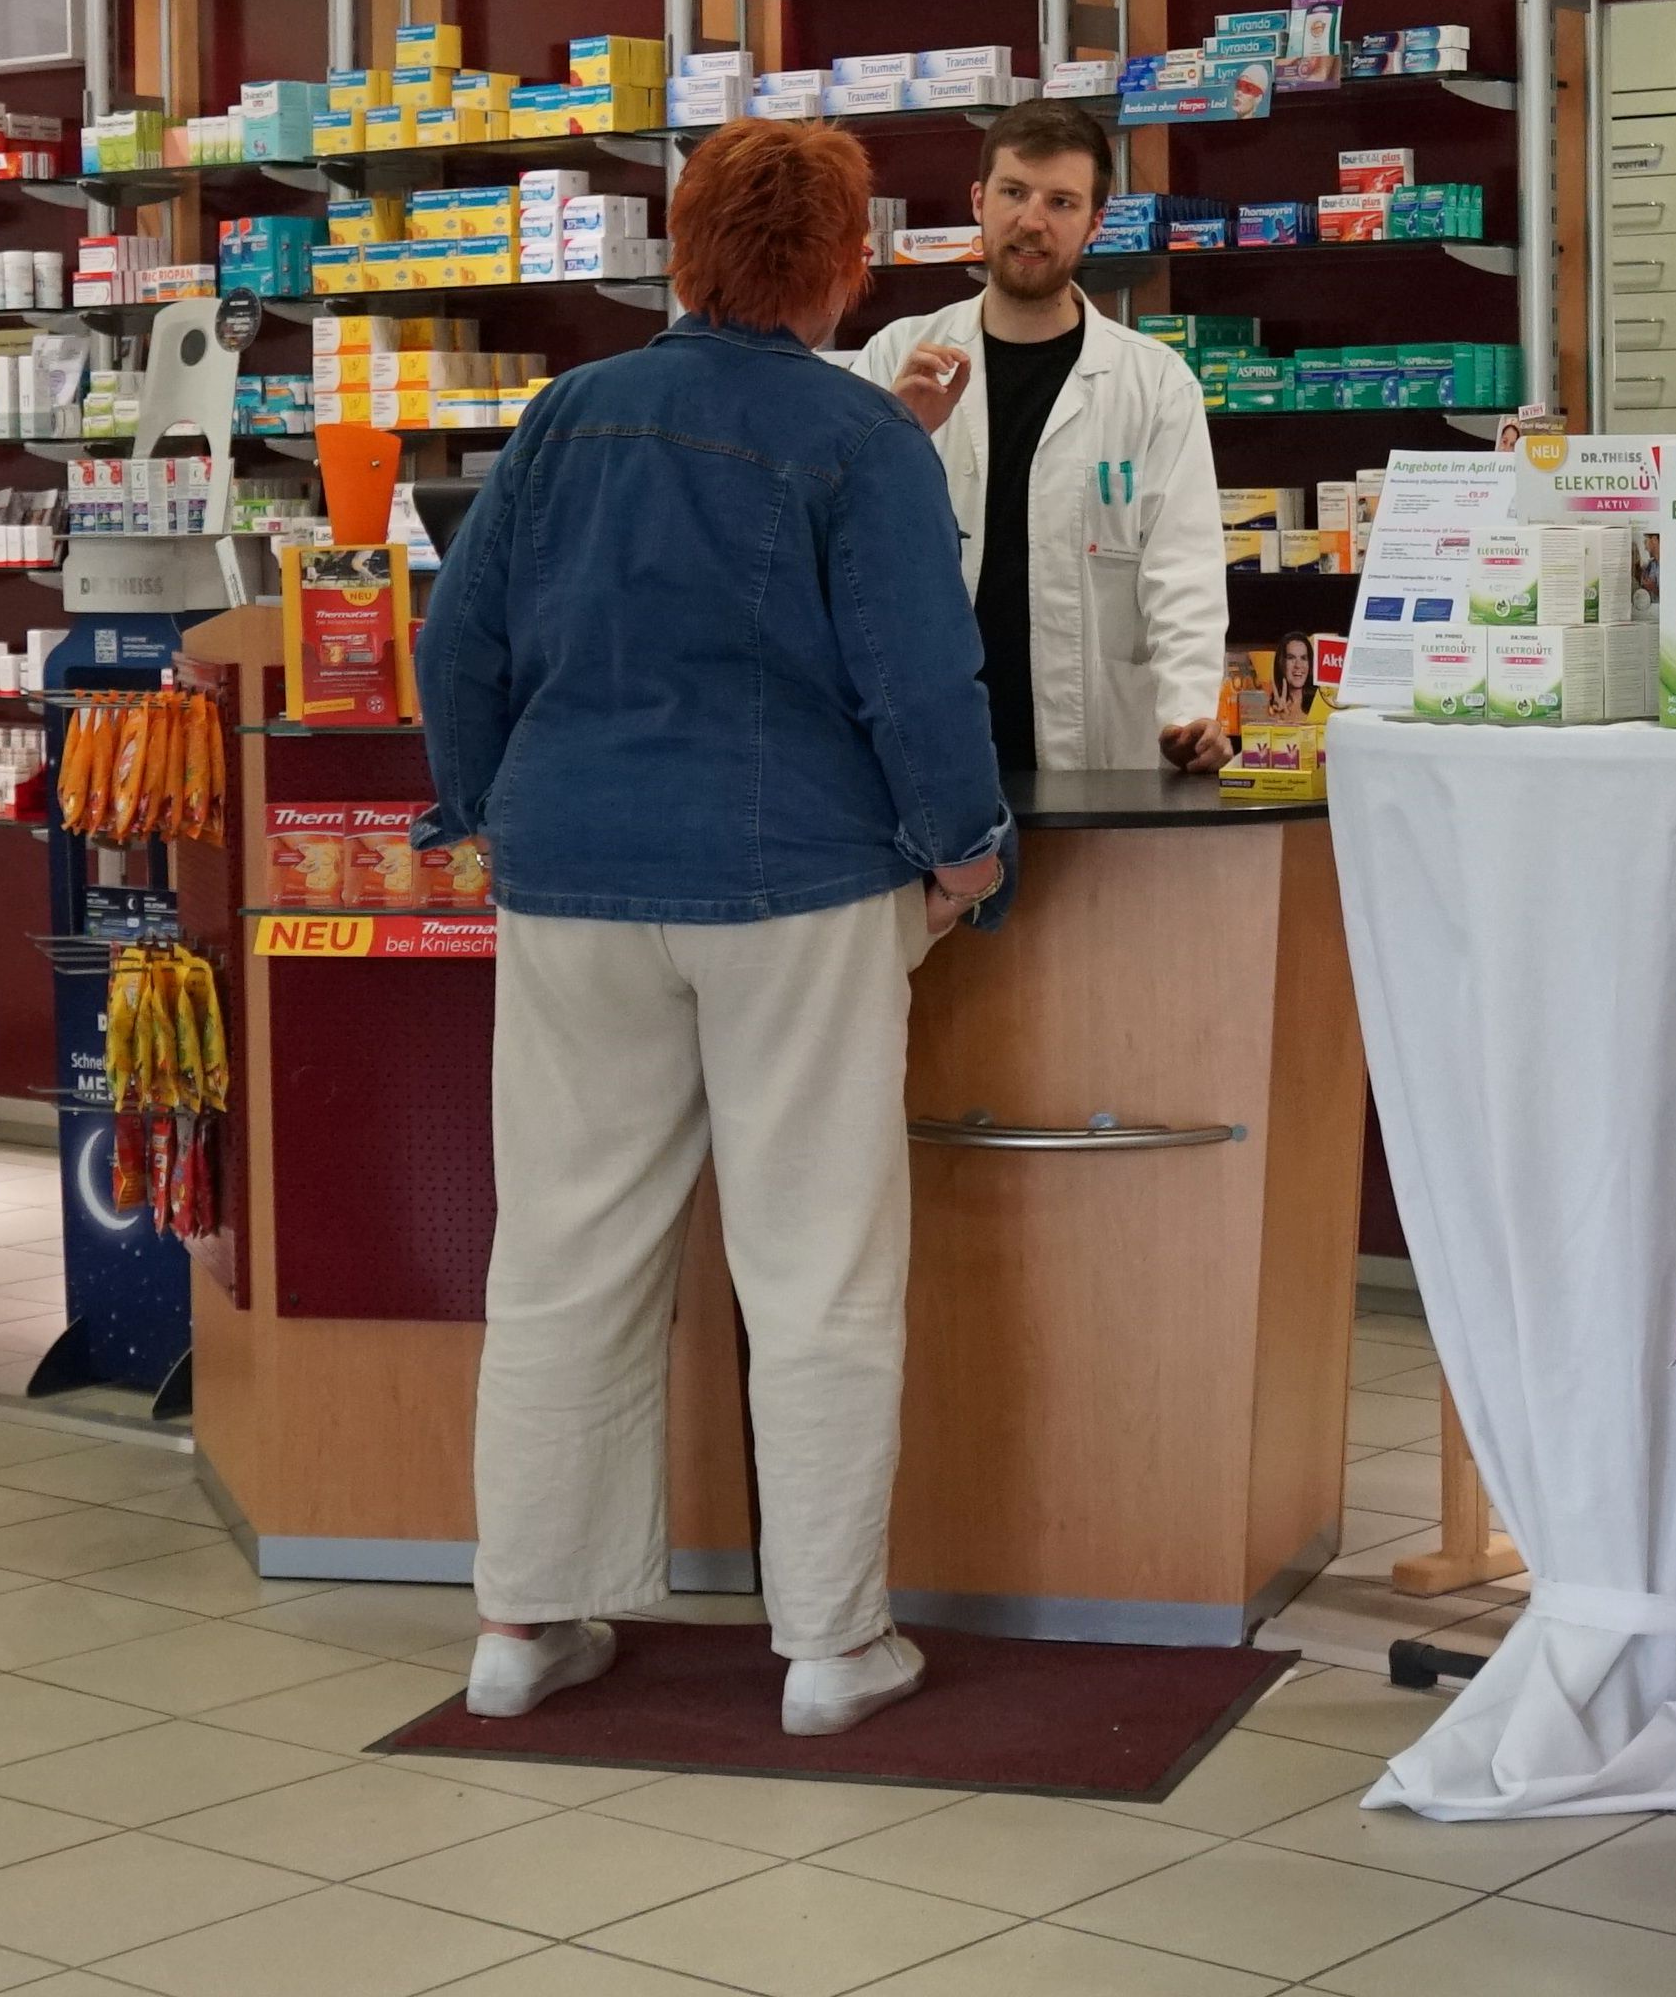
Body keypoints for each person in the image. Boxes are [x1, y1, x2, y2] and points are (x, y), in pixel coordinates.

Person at [417, 117, 1010, 1739]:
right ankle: (827, 1643)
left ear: (678, 249)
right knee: (813, 1261)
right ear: (846, 266)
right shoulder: (857, 439)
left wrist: (481, 807)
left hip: (569, 875)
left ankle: (521, 1621)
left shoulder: (565, 415)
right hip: (798, 882)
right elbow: (919, 679)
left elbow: (453, 642)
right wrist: (962, 857)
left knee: (557, 1251)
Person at [854, 97, 1230, 774]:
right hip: (927, 747)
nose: (1030, 220)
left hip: (1097, 751)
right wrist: (894, 425)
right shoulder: (894, 357)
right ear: (978, 199)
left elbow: (1183, 571)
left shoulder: (1153, 384)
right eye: (1013, 192)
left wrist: (1188, 711)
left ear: (1095, 222)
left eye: (1060, 202)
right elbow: (843, 552)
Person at [1267, 632, 1316, 721]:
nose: (1298, 665)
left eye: (1303, 658)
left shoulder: (1320, 703)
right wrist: (1278, 718)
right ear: (1281, 663)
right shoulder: (1269, 709)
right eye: (1291, 658)